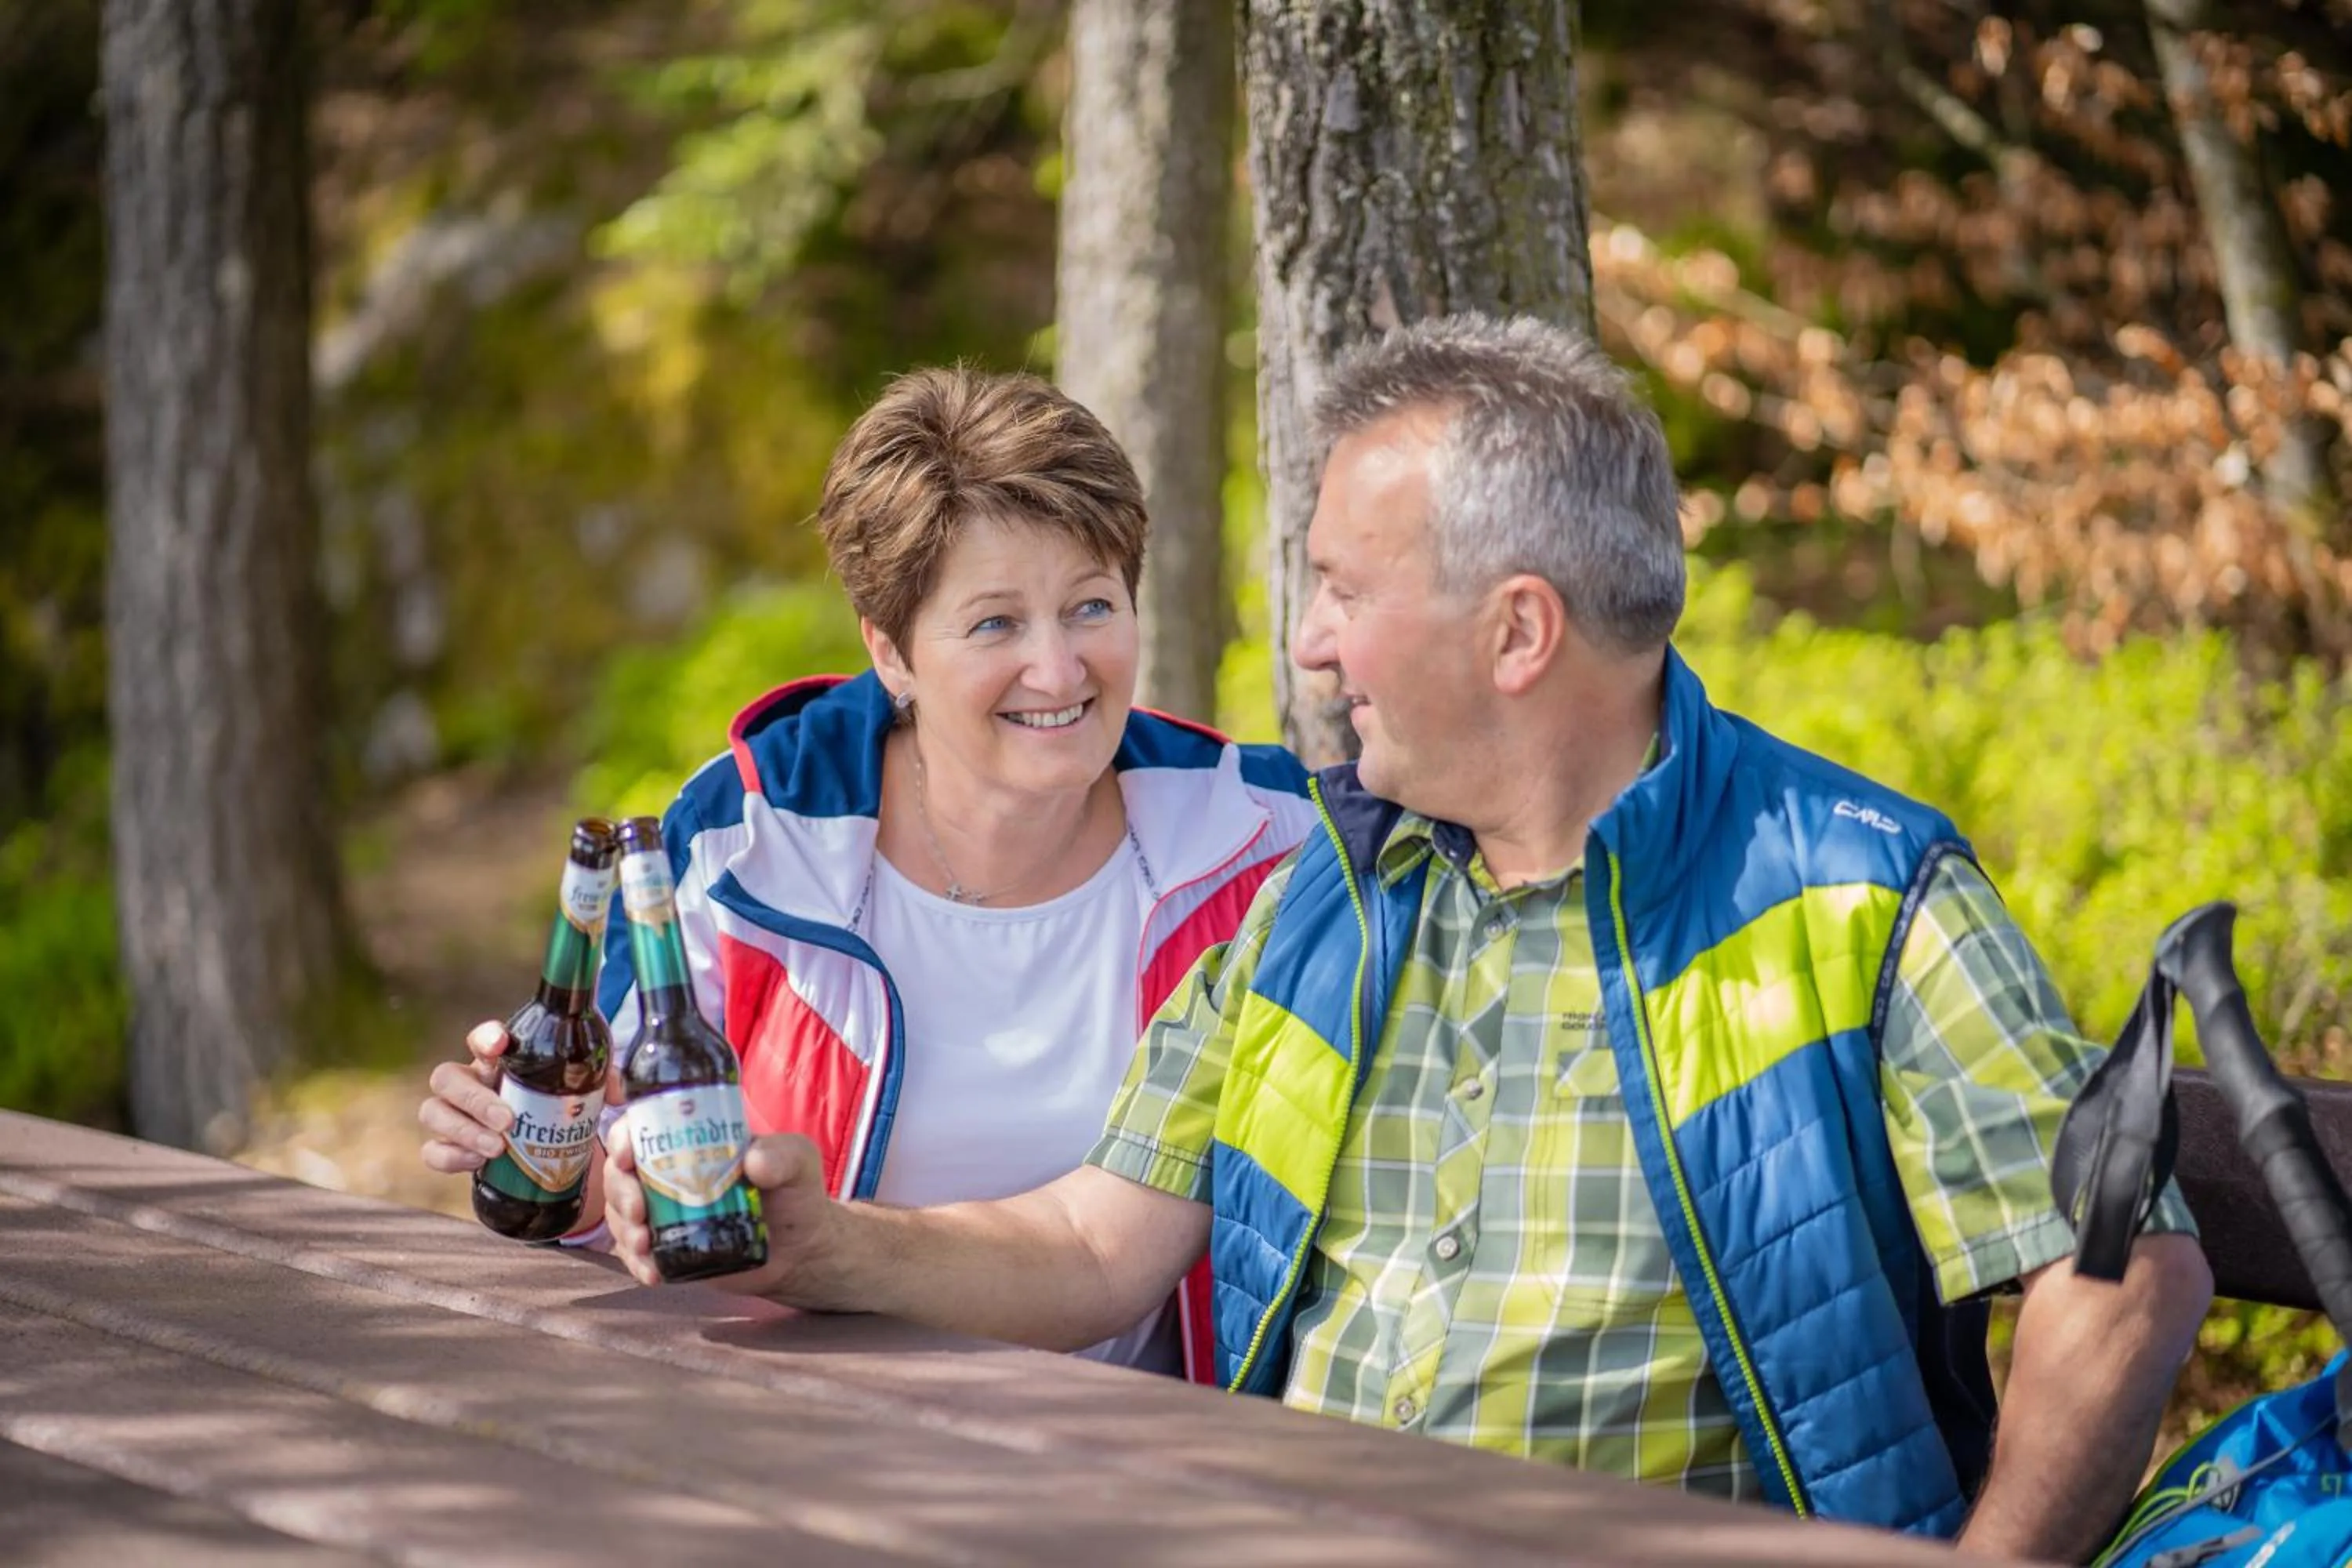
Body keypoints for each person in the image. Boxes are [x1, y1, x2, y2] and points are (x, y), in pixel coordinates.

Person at [601, 314, 2214, 1560]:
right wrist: (830, 1243)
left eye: (1342, 591)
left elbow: (2123, 1270)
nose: (1303, 645)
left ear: (1517, 631)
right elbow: (1098, 1243)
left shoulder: (1851, 893)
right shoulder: (1328, 901)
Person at [417, 366, 1318, 1377]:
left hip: (1150, 1454)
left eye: (1092, 607)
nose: (1060, 670)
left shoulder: (1263, 838)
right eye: (995, 624)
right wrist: (536, 1150)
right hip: (805, 1429)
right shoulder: (751, 835)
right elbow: (608, 1162)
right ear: (890, 652)